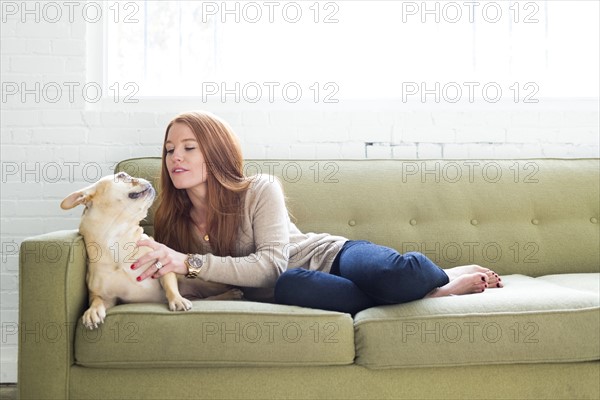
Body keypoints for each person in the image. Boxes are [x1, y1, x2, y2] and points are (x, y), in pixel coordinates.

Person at [131, 110, 503, 314]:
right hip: (295, 286)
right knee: (291, 284)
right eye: (169, 149)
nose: (175, 157)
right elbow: (192, 282)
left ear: (215, 153)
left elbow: (269, 265)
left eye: (188, 147)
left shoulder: (260, 189)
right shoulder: (169, 220)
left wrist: (187, 263)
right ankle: (434, 296)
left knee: (395, 274)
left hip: (334, 257)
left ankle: (443, 277)